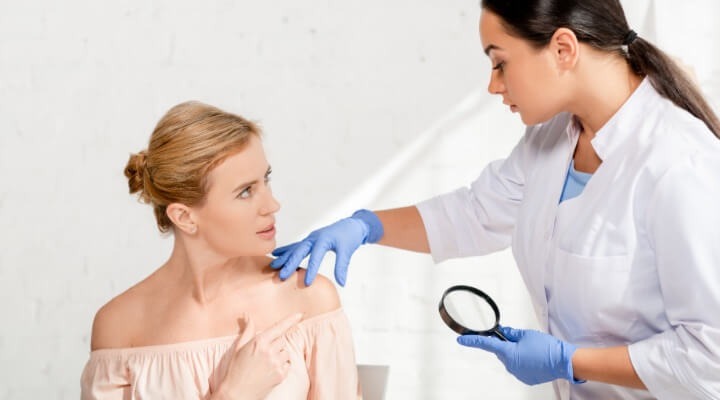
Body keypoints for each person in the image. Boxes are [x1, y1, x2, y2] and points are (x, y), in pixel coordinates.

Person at [269, 1, 720, 399]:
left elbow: (711, 358)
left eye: (500, 63)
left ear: (563, 49)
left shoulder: (679, 165)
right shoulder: (552, 138)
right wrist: (367, 225)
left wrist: (570, 361)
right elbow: (475, 214)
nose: (493, 85)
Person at [80, 102, 358, 399]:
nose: (272, 205)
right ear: (184, 217)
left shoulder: (308, 299)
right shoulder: (120, 326)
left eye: (266, 179)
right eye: (246, 191)